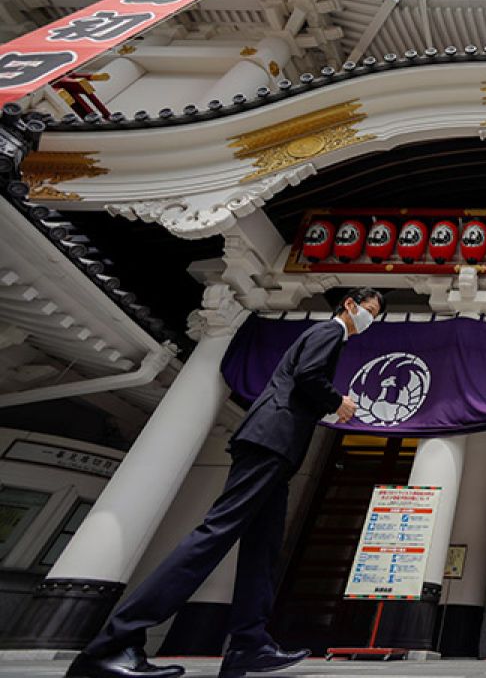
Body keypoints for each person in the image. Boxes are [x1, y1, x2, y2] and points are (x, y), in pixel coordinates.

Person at [66, 288, 385, 678]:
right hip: (270, 441)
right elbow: (308, 377)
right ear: (350, 305)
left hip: (279, 448)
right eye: (369, 311)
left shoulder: (325, 335)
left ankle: (249, 644)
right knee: (215, 533)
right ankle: (113, 642)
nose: (371, 321)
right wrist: (339, 403)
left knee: (262, 549)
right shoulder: (330, 331)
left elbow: (303, 383)